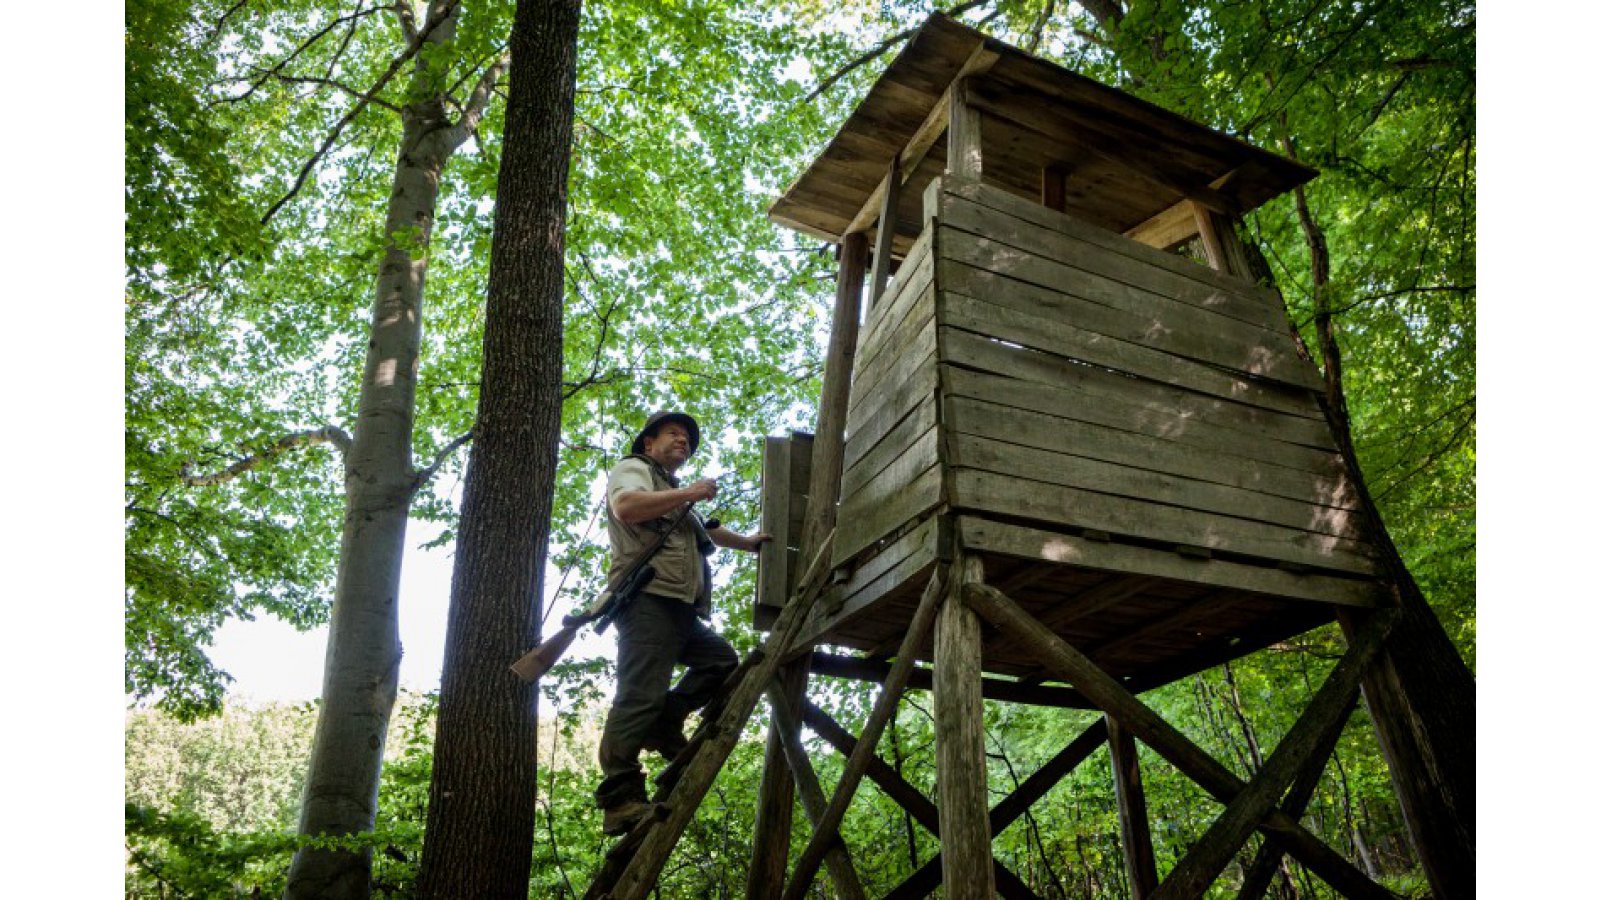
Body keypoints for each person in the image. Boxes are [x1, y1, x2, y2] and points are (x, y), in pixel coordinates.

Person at [594, 410, 770, 836]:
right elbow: (626, 507)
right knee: (639, 696)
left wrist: (747, 543)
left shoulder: (672, 491)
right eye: (674, 434)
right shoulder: (634, 470)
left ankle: (665, 720)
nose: (683, 442)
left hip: (679, 606)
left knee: (722, 664)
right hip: (647, 602)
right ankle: (619, 799)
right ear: (648, 443)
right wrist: (689, 492)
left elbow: (705, 530)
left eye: (688, 440)